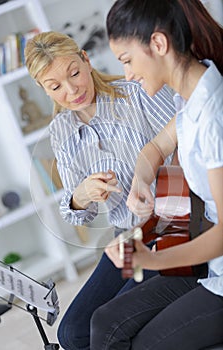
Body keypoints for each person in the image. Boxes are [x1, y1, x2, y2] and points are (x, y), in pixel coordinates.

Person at [24, 31, 176, 349]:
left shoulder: (137, 93)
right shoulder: (61, 131)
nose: (72, 90)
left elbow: (188, 148)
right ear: (42, 89)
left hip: (172, 227)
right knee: (72, 333)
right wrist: (81, 196)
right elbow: (78, 214)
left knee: (108, 324)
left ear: (86, 59)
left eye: (75, 73)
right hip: (126, 235)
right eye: (55, 86)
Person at [90, 0, 223, 349]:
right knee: (104, 323)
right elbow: (155, 149)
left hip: (218, 268)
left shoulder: (214, 115)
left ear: (159, 44)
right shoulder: (191, 94)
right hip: (207, 261)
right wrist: (140, 181)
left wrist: (151, 259)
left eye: (128, 61)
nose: (128, 74)